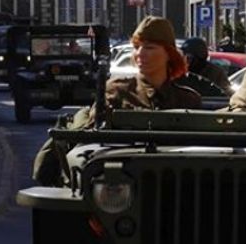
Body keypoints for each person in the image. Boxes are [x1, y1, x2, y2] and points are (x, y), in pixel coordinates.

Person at [33, 16, 202, 186]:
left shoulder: (188, 100)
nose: (140, 53)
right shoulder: (116, 92)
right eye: (137, 47)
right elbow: (90, 143)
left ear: (169, 54)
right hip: (121, 185)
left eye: (150, 47)